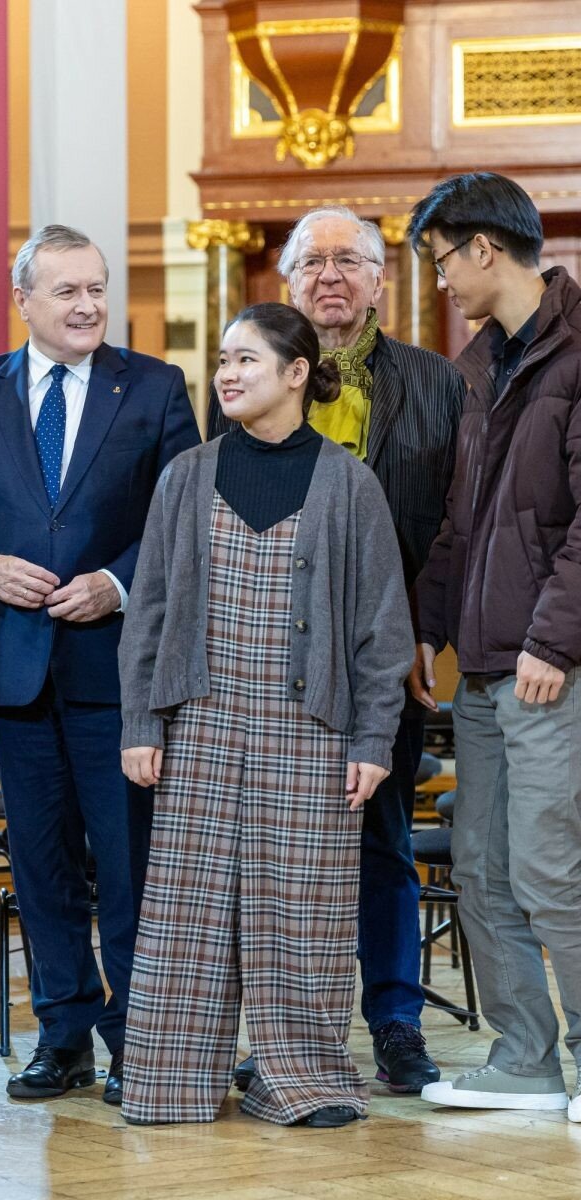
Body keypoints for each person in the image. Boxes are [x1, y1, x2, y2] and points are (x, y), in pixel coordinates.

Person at [119, 302, 414, 1127]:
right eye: (222, 359)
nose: (228, 374)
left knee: (304, 914)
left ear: (295, 373)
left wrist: (373, 739)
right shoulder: (188, 474)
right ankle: (170, 1082)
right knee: (188, 912)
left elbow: (383, 628)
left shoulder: (349, 483)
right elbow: (147, 611)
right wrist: (141, 723)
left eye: (247, 359)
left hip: (310, 731)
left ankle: (303, 1080)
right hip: (199, 726)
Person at [0, 224, 199, 1105]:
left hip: (118, 677)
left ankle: (140, 1039)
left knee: (130, 868)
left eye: (98, 288)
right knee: (43, 865)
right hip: (16, 675)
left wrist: (115, 584)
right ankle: (63, 1034)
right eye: (68, 291)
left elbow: (184, 523)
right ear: (25, 299)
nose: (89, 305)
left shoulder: (157, 388)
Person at [210, 207, 464, 1093]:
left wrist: (420, 633)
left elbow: (455, 525)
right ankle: (281, 1032)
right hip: (265, 662)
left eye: (349, 260)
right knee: (276, 854)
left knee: (383, 842)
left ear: (380, 278)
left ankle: (395, 1022)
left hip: (383, 658)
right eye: (311, 261)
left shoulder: (439, 383)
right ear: (286, 282)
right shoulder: (248, 382)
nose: (331, 276)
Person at [407, 172, 581, 1119]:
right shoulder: (480, 367)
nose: (438, 282)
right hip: (479, 665)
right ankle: (526, 1056)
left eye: (441, 261)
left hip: (550, 666)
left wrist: (553, 639)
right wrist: (426, 628)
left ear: (482, 246)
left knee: (550, 865)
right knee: (479, 866)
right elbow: (460, 527)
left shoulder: (578, 352)